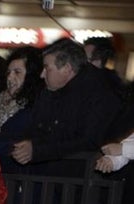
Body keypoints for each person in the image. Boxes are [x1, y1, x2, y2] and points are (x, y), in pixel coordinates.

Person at [10, 38, 122, 178]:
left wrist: (37, 150)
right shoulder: (51, 90)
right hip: (52, 177)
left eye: (47, 68)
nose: (42, 75)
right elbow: (39, 128)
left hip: (79, 181)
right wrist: (29, 146)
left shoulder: (99, 93)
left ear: (67, 69)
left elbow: (88, 141)